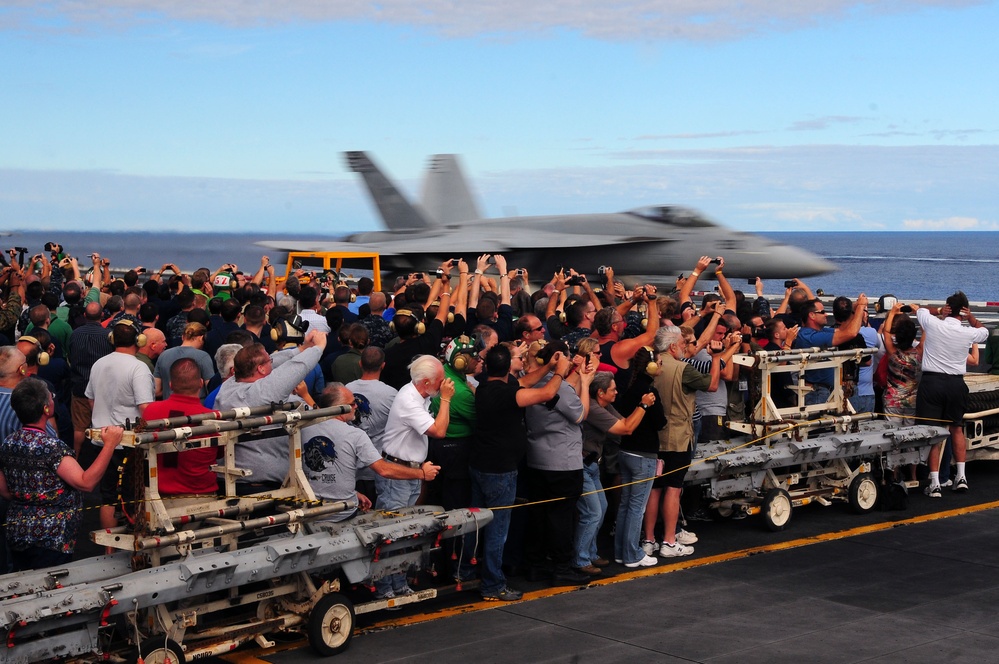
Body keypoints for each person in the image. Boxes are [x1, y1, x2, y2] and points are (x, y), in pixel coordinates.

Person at [461, 343, 571, 601]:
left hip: (481, 465)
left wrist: (548, 367)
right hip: (500, 472)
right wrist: (559, 373)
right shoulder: (505, 394)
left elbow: (524, 384)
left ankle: (466, 572)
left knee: (476, 524)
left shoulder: (487, 386)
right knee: (497, 530)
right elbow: (543, 394)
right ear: (508, 366)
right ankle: (492, 585)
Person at [0, 377, 122, 571]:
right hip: (50, 536)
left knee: (23, 589)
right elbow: (86, 482)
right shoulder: (51, 447)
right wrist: (109, 445)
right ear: (46, 409)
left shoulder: (8, 443)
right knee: (50, 591)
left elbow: (5, 491)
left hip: (18, 530)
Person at [373, 354, 454, 602]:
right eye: (440, 380)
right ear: (426, 382)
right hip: (397, 473)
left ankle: (398, 582)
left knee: (404, 531)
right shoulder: (409, 400)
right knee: (391, 533)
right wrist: (447, 400)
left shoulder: (419, 395)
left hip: (408, 470)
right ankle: (383, 586)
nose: (443, 384)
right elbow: (439, 431)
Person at [301, 383, 440, 522]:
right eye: (352, 403)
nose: (356, 406)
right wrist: (422, 474)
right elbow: (384, 470)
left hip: (310, 511)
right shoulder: (354, 435)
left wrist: (353, 494)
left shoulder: (304, 429)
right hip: (342, 515)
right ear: (340, 408)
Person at [214, 330, 327, 493]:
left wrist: (303, 348)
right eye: (269, 361)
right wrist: (319, 348)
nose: (273, 364)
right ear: (260, 369)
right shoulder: (259, 392)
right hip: (255, 486)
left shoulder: (229, 385)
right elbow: (291, 370)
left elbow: (275, 363)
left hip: (238, 480)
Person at [523, 340, 595, 586]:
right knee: (562, 518)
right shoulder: (561, 389)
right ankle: (562, 566)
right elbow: (579, 414)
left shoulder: (532, 382)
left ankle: (536, 565)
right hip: (563, 461)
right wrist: (584, 384)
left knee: (538, 516)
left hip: (536, 458)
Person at [651, 326, 722, 557]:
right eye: (682, 344)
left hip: (652, 436)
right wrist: (717, 357)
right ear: (672, 346)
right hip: (678, 435)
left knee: (654, 490)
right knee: (673, 489)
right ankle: (670, 541)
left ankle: (649, 539)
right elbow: (712, 385)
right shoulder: (683, 368)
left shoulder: (650, 364)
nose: (685, 348)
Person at [575, 370, 656, 573]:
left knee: (601, 508)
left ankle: (591, 553)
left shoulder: (605, 405)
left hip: (592, 464)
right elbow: (627, 428)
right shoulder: (593, 409)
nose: (616, 392)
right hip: (582, 464)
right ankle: (581, 559)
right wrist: (644, 405)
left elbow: (626, 422)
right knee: (592, 512)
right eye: (613, 389)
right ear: (601, 392)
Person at [84, 318, 156, 533]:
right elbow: (145, 408)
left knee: (108, 497)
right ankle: (134, 543)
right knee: (133, 497)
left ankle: (108, 550)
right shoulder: (139, 368)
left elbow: (90, 399)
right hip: (128, 444)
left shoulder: (99, 363)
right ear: (139, 340)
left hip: (102, 441)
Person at [916, 293, 989, 496]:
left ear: (948, 308)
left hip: (932, 382)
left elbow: (919, 310)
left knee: (933, 433)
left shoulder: (933, 324)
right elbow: (983, 332)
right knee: (957, 429)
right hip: (956, 383)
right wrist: (971, 318)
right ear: (963, 312)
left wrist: (939, 311)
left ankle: (934, 483)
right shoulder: (967, 332)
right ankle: (961, 477)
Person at [140, 358, 218, 495]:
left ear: (170, 385)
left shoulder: (151, 411)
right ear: (201, 383)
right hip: (200, 493)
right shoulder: (213, 418)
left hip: (156, 492)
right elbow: (220, 452)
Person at [792, 294, 869, 405]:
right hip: (817, 394)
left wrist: (852, 308)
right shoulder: (809, 337)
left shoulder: (820, 332)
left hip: (827, 391)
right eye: (822, 312)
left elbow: (843, 330)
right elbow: (851, 333)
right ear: (812, 315)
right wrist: (861, 307)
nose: (826, 314)